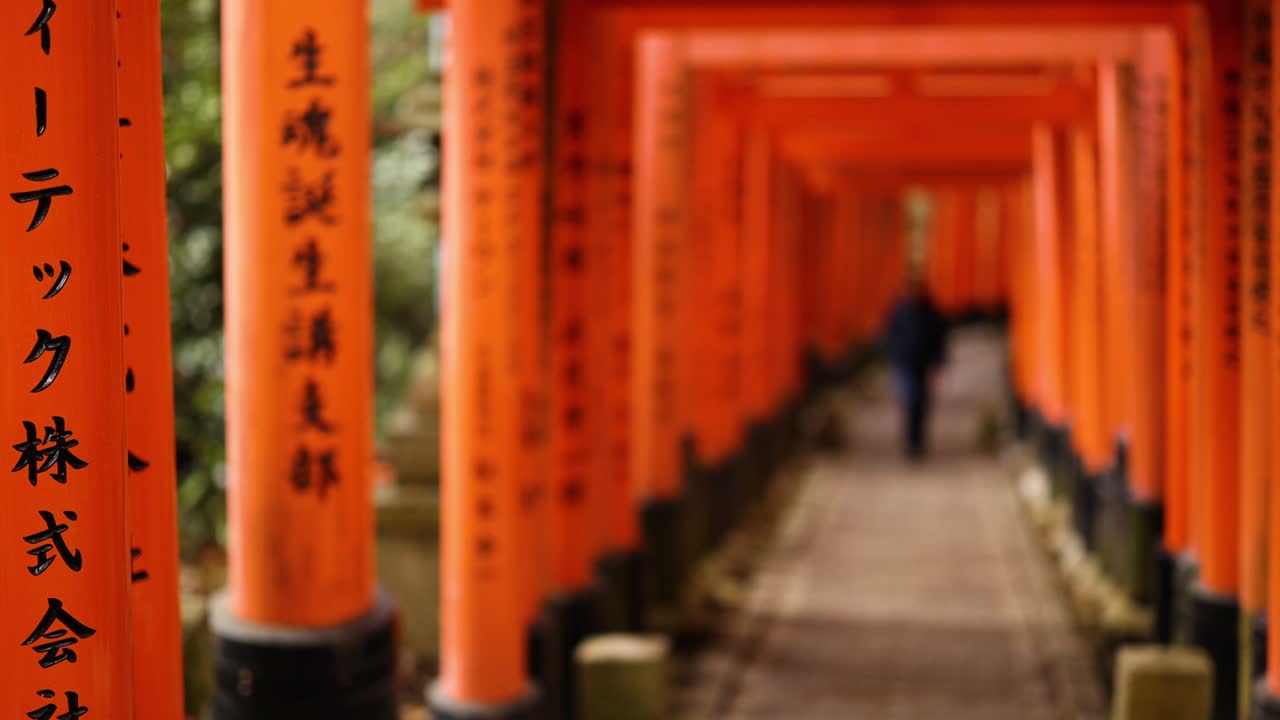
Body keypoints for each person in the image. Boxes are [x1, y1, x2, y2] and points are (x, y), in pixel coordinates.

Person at [882, 278, 949, 460]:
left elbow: (939, 339)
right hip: (906, 363)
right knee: (910, 401)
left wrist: (938, 361)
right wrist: (894, 357)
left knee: (921, 403)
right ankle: (911, 442)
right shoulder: (900, 312)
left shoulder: (930, 312)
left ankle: (918, 441)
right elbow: (890, 336)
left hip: (922, 365)